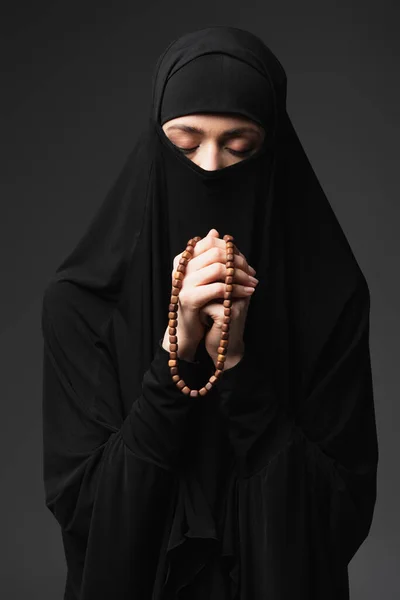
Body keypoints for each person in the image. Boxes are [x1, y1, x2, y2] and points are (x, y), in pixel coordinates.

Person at [40, 26, 379, 600]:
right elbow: (86, 515)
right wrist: (175, 357)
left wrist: (239, 361)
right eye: (184, 144)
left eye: (240, 147)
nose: (212, 168)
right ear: (156, 144)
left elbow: (339, 514)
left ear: (271, 154)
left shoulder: (330, 300)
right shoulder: (84, 305)